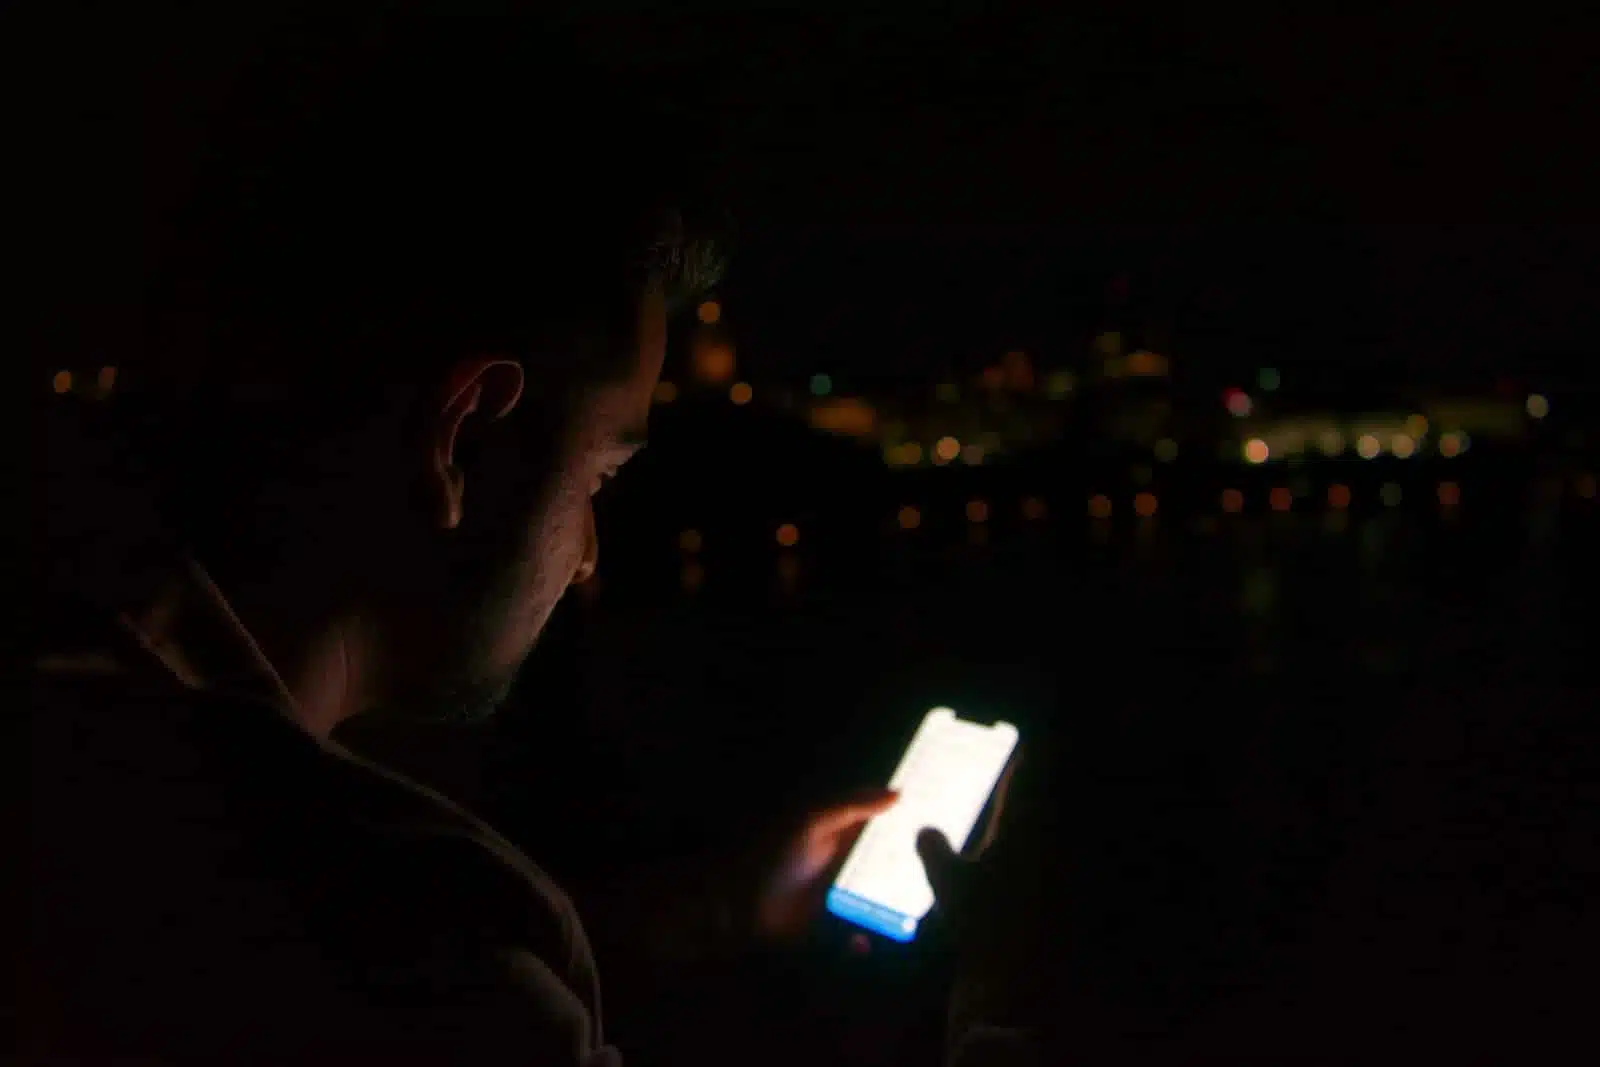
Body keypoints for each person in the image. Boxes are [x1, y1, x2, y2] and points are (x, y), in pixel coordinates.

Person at [1, 3, 1039, 1064]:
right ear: (460, 436)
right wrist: (1000, 1009)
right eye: (598, 470)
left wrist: (727, 909)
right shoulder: (420, 936)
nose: (589, 552)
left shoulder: (75, 710)